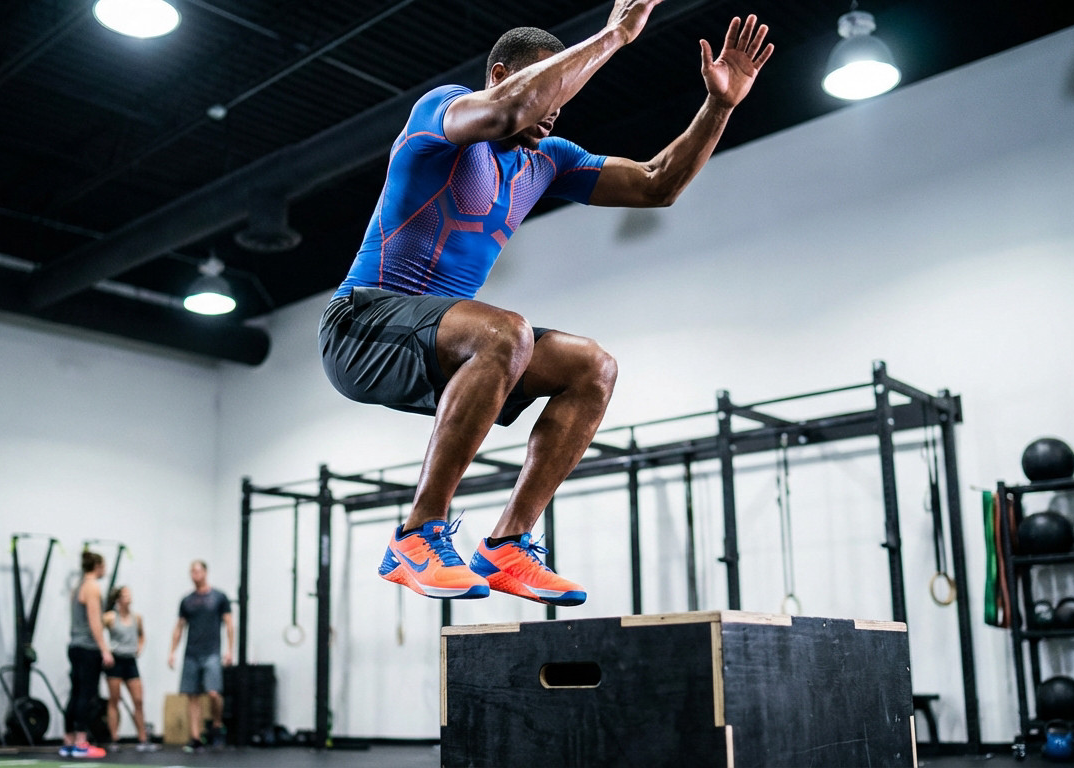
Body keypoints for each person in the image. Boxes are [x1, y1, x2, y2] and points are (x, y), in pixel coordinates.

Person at [318, 1, 772, 605]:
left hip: (442, 340)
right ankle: (416, 534)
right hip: (362, 324)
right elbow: (514, 108)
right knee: (506, 331)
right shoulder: (442, 112)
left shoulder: (548, 160)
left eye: (563, 97)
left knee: (592, 367)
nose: (556, 108)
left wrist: (719, 107)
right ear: (503, 74)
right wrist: (614, 36)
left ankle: (507, 545)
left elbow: (657, 183)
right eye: (548, 84)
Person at [167, 560, 234, 751]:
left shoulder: (219, 597)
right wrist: (172, 652)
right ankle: (196, 738)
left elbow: (229, 624)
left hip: (212, 652)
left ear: (205, 572)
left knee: (213, 693)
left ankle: (217, 724)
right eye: (191, 571)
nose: (194, 574)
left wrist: (230, 650)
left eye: (197, 571)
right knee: (192, 696)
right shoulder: (187, 600)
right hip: (191, 654)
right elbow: (179, 627)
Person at [61, 551, 113, 759]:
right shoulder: (92, 587)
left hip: (75, 646)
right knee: (87, 694)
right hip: (88, 648)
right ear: (98, 566)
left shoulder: (78, 586)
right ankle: (82, 742)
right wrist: (105, 649)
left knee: (76, 692)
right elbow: (94, 622)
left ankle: (68, 742)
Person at [102, 586, 157, 752]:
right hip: (115, 661)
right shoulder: (110, 617)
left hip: (130, 661)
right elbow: (97, 633)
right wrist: (106, 652)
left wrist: (139, 647)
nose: (128, 597)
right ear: (118, 599)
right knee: (114, 700)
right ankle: (114, 739)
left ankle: (142, 738)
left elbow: (141, 634)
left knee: (138, 700)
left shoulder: (137, 617)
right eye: (124, 595)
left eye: (129, 594)